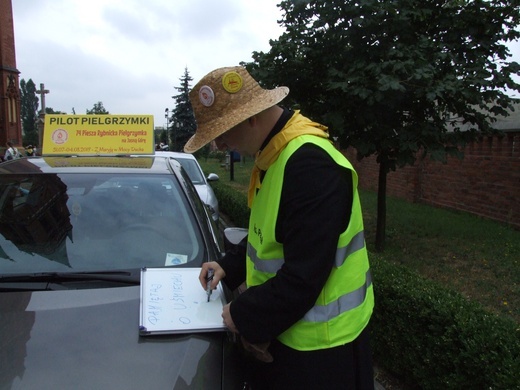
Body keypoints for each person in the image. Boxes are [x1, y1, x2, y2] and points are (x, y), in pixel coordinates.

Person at [185, 66, 375, 389]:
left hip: (325, 353)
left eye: (221, 134)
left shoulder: (309, 166)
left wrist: (243, 315)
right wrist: (229, 267)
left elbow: (303, 277)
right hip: (296, 340)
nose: (217, 147)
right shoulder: (276, 157)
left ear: (251, 118)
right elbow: (270, 238)